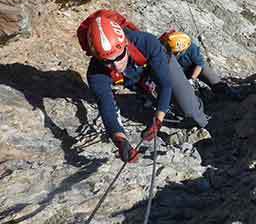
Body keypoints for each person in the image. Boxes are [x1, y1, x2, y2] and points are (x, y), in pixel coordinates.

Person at [77, 10, 209, 163]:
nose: (115, 65)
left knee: (189, 109)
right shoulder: (96, 73)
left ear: (125, 43)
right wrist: (121, 142)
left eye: (119, 57)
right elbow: (107, 108)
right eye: (107, 62)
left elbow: (165, 84)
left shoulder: (145, 42)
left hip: (162, 64)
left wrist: (158, 120)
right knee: (165, 108)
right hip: (136, 80)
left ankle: (204, 120)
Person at [160, 31, 241, 98]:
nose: (176, 53)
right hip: (179, 71)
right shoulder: (166, 47)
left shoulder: (191, 47)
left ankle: (228, 92)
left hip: (194, 67)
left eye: (177, 52)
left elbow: (199, 64)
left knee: (213, 79)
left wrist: (192, 78)